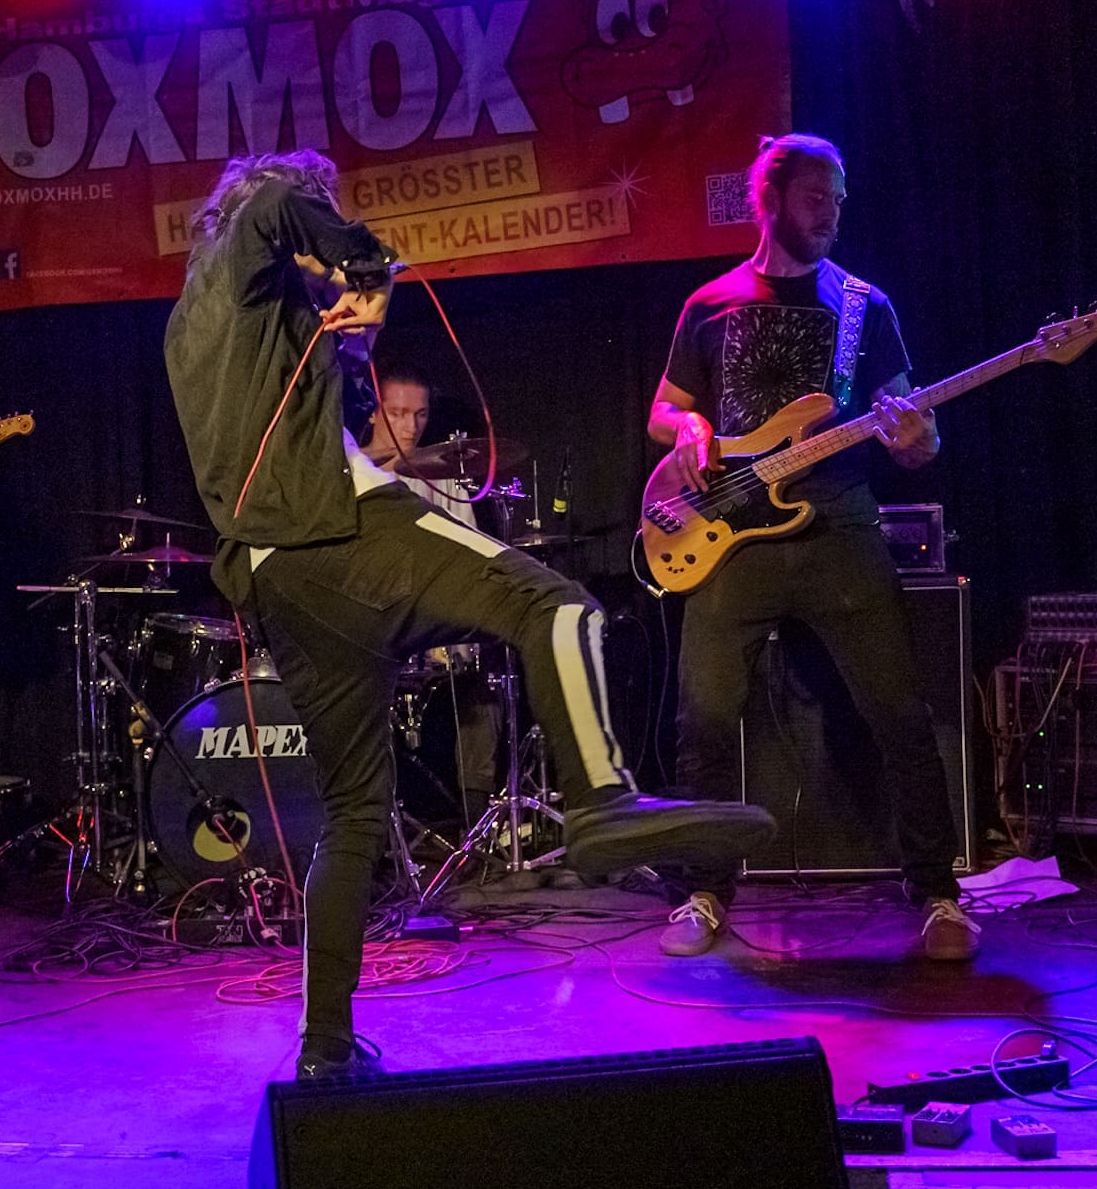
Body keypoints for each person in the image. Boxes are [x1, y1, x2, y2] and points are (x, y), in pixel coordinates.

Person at [164, 150, 773, 1080]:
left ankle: (325, 1047)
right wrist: (367, 268)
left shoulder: (196, 322)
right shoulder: (261, 230)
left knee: (353, 814)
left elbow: (302, 402)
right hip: (342, 533)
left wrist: (348, 331)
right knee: (557, 604)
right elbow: (281, 202)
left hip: (278, 584)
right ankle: (601, 802)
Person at [648, 132, 977, 962]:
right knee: (705, 716)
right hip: (731, 534)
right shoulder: (710, 303)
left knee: (899, 710)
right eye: (815, 197)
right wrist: (688, 429)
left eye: (839, 198)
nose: (832, 212)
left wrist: (917, 438)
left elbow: (915, 429)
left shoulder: (867, 305)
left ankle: (938, 891)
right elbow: (665, 409)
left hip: (839, 525)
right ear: (770, 200)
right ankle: (704, 889)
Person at [358, 364, 501, 828]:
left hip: (429, 623)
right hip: (370, 623)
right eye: (397, 413)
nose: (410, 426)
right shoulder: (346, 469)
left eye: (419, 414)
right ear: (374, 412)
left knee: (483, 676)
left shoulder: (442, 475)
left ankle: (477, 824)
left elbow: (470, 555)